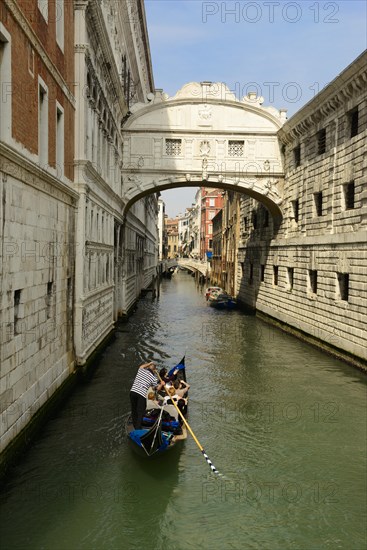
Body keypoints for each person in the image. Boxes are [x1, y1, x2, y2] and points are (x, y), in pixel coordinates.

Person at [130, 362, 164, 429]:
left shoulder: (141, 370)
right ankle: (138, 428)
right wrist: (162, 384)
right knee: (140, 412)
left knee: (134, 410)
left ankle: (135, 425)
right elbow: (157, 388)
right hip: (141, 394)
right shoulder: (153, 378)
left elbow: (142, 366)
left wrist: (149, 363)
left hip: (132, 392)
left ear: (148, 367)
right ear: (154, 370)